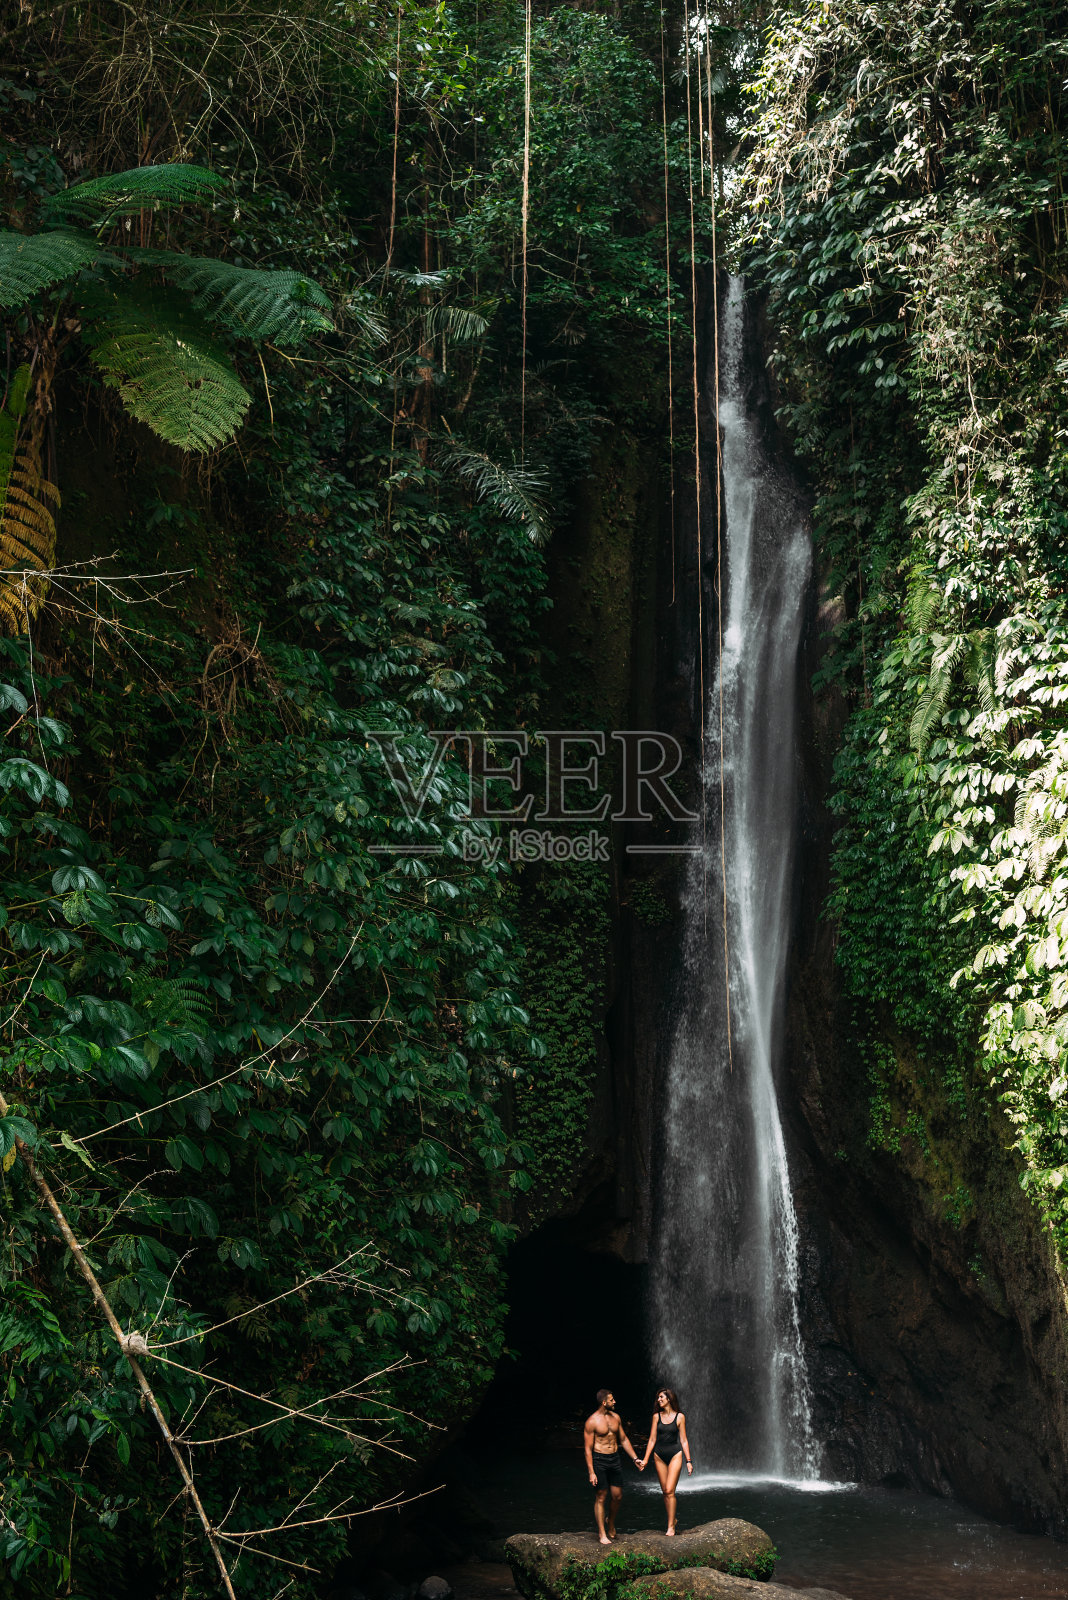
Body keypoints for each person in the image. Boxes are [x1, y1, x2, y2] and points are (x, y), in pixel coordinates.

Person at [583, 1388, 642, 1544]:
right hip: (599, 1460)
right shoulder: (592, 1421)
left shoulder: (616, 1417)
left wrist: (635, 1459)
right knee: (601, 1496)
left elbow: (623, 1439)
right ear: (604, 1402)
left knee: (617, 1496)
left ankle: (611, 1522)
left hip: (614, 1459)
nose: (614, 1402)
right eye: (611, 1400)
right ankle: (602, 1534)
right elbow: (588, 1449)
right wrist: (591, 1472)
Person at [637, 1386, 692, 1535]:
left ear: (669, 1399)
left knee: (669, 1490)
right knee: (665, 1492)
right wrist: (645, 1459)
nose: (659, 1400)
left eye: (662, 1397)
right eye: (658, 1398)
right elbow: (652, 1439)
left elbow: (684, 1440)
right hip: (659, 1455)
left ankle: (670, 1527)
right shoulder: (656, 1417)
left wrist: (688, 1461)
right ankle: (672, 1520)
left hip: (675, 1454)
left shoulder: (680, 1417)